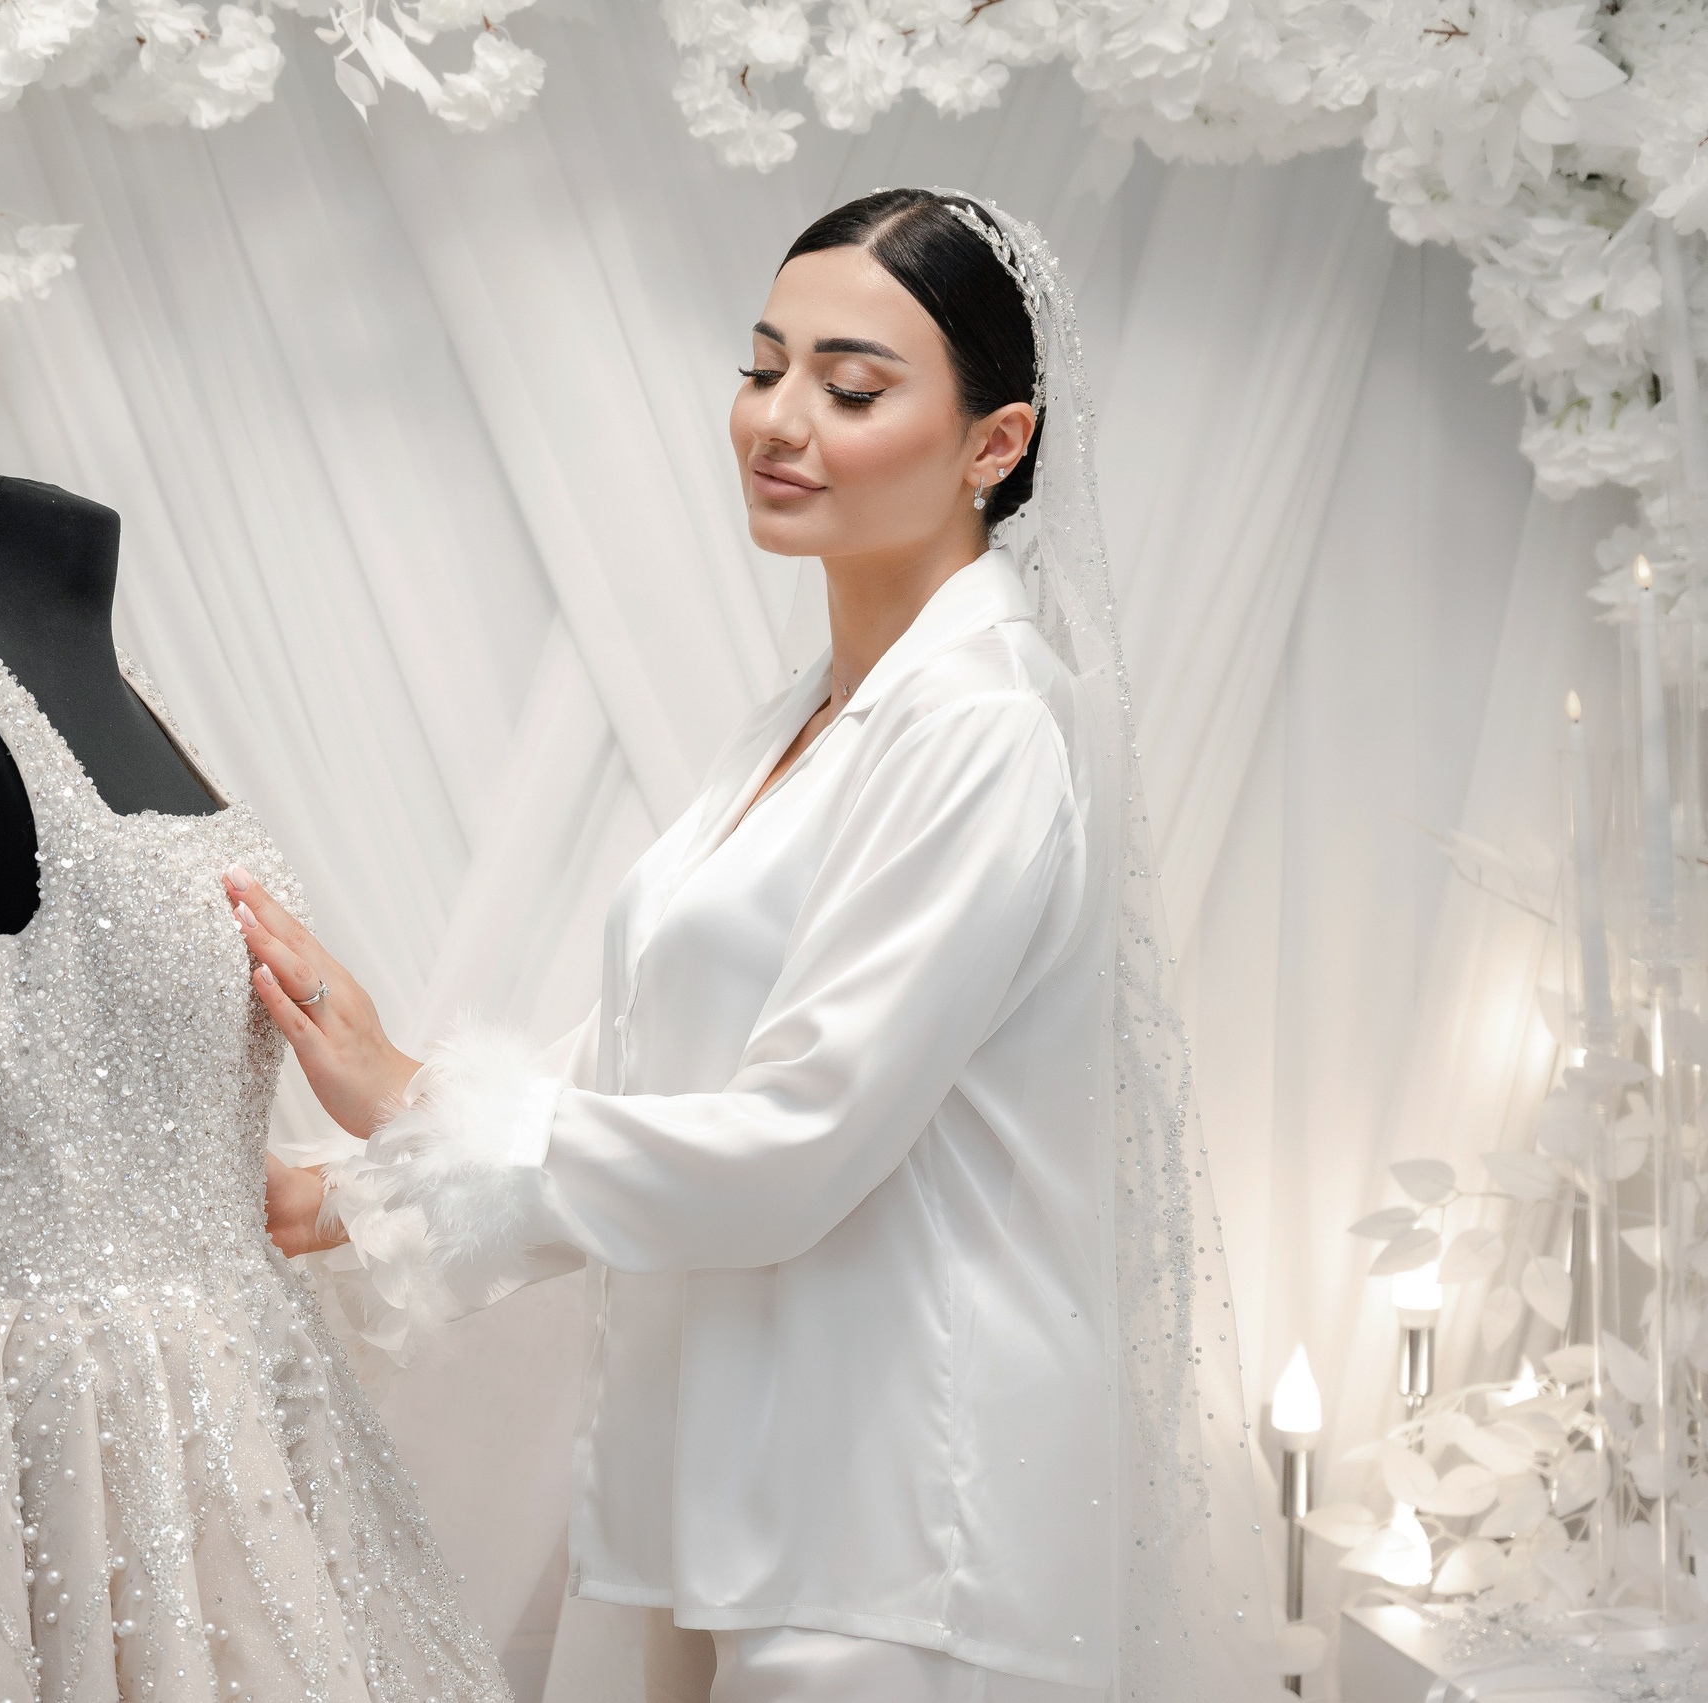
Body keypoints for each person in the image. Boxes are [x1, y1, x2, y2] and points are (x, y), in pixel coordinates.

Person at [241, 192, 1278, 1703]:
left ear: (995, 443)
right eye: (762, 365)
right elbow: (667, 1060)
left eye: (852, 387)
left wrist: (412, 1092)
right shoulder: (814, 710)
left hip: (900, 1508)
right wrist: (339, 1190)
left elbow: (795, 1135)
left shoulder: (983, 724)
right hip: (723, 1473)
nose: (779, 420)